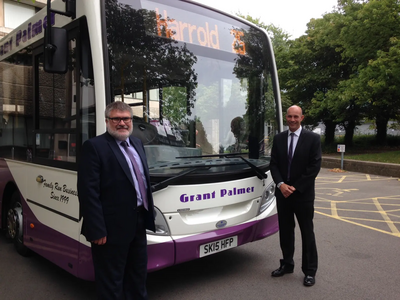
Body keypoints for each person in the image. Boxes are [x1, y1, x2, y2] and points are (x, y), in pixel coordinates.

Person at [77, 101, 155, 299]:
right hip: (109, 230)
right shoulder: (94, 147)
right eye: (116, 119)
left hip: (138, 223)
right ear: (107, 121)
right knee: (111, 284)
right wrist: (96, 229)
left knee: (138, 278)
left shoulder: (137, 143)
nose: (122, 123)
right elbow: (88, 192)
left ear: (131, 121)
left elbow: (142, 181)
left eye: (126, 118)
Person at [269, 105, 321, 287]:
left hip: (303, 195)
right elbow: (273, 164)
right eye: (289, 116)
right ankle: (287, 264)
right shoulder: (279, 138)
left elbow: (314, 167)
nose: (292, 120)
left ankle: (309, 271)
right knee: (286, 230)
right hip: (283, 193)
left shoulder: (313, 139)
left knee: (307, 232)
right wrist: (281, 184)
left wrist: (295, 188)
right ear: (286, 117)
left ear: (302, 118)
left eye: (295, 117)